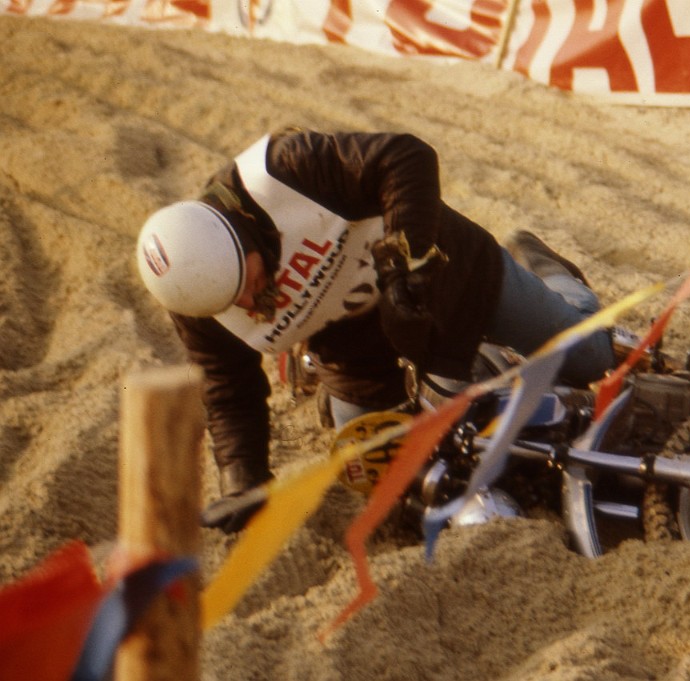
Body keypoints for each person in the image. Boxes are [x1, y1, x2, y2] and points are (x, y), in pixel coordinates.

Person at [136, 127, 615, 533]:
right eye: (231, 301)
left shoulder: (284, 170)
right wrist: (243, 480)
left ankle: (551, 276)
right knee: (392, 496)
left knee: (592, 358)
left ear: (241, 232)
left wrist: (406, 264)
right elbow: (228, 389)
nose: (246, 303)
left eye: (250, 282)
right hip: (354, 351)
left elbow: (406, 156)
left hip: (448, 280)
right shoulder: (198, 304)